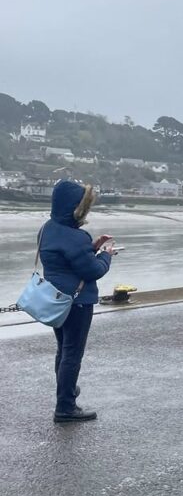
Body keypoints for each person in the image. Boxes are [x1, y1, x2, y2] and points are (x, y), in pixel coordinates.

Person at [39, 180, 117, 422]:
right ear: (76, 207)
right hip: (77, 301)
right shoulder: (76, 236)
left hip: (55, 299)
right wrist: (106, 255)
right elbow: (93, 271)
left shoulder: (47, 228)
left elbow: (69, 260)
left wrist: (90, 248)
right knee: (73, 353)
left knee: (63, 349)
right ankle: (65, 407)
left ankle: (67, 392)